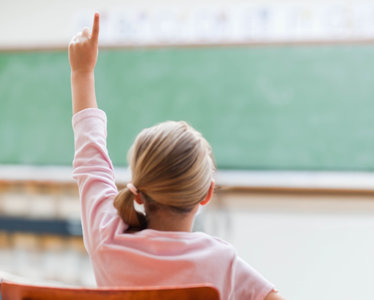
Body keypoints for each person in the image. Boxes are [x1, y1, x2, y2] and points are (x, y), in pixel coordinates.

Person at [69, 13, 284, 300]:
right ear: (206, 194)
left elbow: (91, 158)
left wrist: (82, 73)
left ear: (139, 193)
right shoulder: (220, 261)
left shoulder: (106, 239)